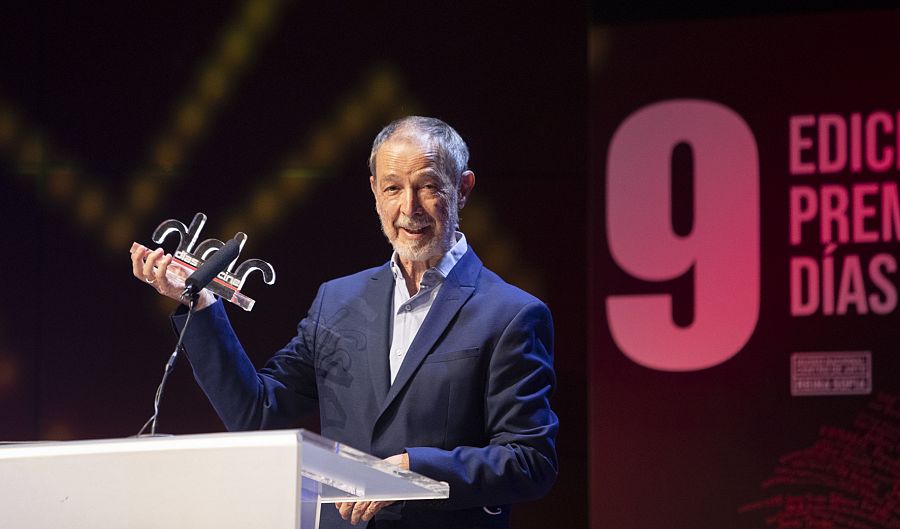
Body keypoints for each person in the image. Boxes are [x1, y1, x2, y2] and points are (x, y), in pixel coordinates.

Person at [131, 116, 558, 528]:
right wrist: (202, 304)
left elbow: (530, 460)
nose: (409, 208)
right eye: (393, 188)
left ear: (463, 189)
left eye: (428, 187)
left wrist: (417, 469)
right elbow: (256, 414)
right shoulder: (337, 301)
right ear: (374, 192)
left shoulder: (511, 314)